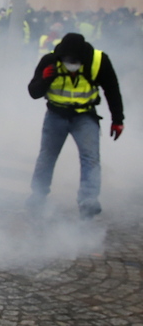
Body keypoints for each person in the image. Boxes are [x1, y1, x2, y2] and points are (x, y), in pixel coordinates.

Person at [27, 32, 124, 219]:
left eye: (75, 61)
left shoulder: (98, 61)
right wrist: (44, 79)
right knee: (47, 157)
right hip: (56, 115)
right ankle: (38, 195)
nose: (71, 65)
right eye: (67, 61)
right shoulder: (50, 60)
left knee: (91, 158)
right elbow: (33, 92)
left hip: (85, 117)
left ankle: (88, 201)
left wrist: (118, 120)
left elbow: (112, 89)